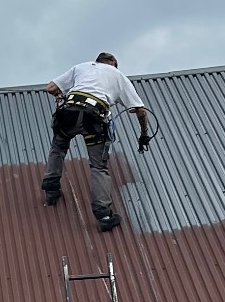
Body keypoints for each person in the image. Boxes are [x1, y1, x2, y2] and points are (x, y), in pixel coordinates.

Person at [41, 52, 150, 233]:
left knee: (58, 146)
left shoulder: (81, 67)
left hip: (68, 113)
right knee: (98, 166)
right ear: (114, 63)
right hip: (94, 117)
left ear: (96, 61)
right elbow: (139, 110)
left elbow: (51, 87)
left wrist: (60, 97)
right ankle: (104, 216)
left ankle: (51, 188)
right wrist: (144, 133)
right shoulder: (118, 76)